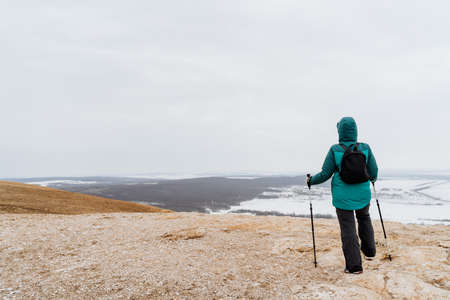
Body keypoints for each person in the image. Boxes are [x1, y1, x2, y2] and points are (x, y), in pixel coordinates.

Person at [307, 117, 378, 274]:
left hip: (342, 197)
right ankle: (370, 252)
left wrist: (311, 180)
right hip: (363, 195)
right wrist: (372, 180)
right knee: (364, 218)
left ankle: (354, 266)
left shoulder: (335, 149)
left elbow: (325, 173)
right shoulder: (365, 148)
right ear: (355, 130)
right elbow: (374, 172)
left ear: (340, 131)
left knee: (348, 228)